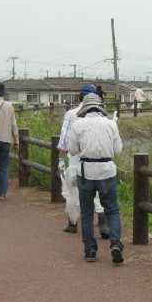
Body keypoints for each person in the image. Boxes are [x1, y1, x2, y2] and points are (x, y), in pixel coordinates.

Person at [67, 93, 124, 264]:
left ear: (85, 107)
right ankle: (115, 243)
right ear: (100, 107)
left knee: (86, 212)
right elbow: (118, 150)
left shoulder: (78, 125)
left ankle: (90, 250)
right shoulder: (110, 124)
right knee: (112, 209)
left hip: (85, 171)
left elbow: (73, 149)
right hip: (107, 170)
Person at [57, 84, 107, 236]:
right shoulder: (102, 115)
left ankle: (73, 223)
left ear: (80, 96)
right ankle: (103, 224)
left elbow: (64, 141)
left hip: (75, 159)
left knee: (73, 191)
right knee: (98, 192)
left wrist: (60, 160)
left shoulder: (71, 114)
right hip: (97, 160)